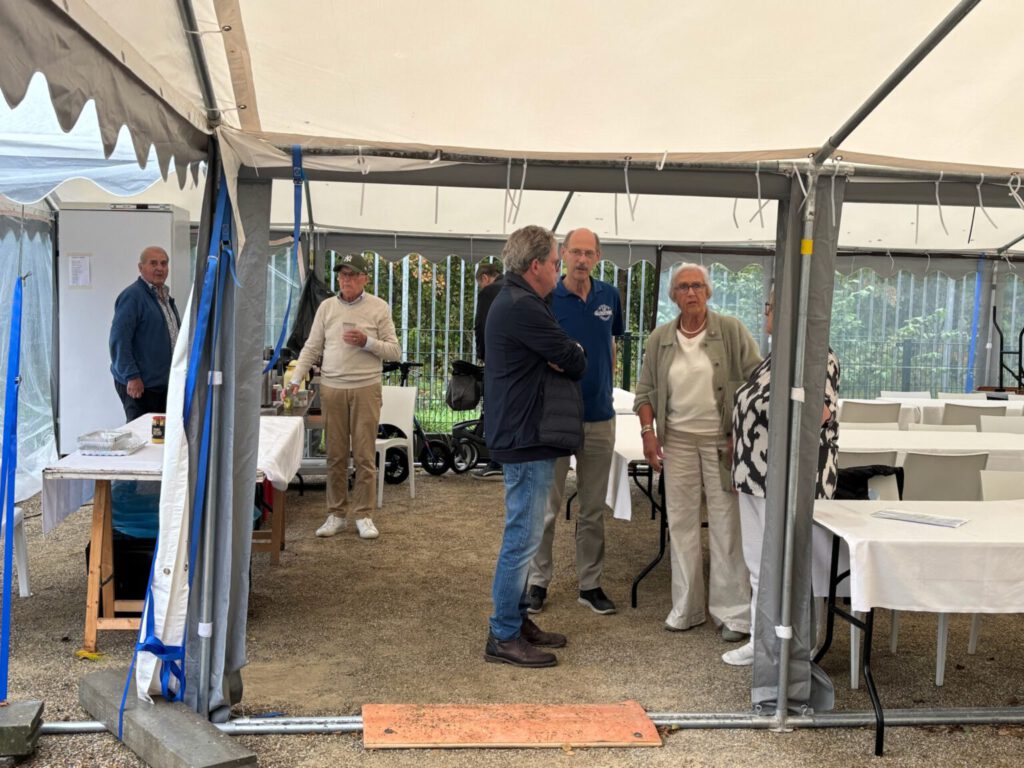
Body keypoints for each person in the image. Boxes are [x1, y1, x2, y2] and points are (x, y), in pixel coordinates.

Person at [634, 263, 761, 639]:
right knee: (681, 524)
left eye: (698, 286)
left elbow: (757, 383)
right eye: (683, 287)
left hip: (722, 443)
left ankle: (733, 614)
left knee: (726, 526)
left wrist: (740, 435)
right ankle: (686, 608)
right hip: (677, 442)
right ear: (673, 296)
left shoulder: (731, 331)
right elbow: (644, 392)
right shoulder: (660, 338)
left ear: (708, 292)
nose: (691, 292)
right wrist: (648, 434)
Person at [483, 224, 586, 668]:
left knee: (525, 534)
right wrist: (565, 354)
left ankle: (516, 619)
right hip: (526, 435)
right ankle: (504, 634)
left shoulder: (515, 299)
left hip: (524, 431)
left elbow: (563, 355)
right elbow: (574, 359)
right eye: (557, 262)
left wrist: (561, 354)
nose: (560, 269)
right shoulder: (523, 305)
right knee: (522, 538)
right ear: (536, 265)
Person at [724, 289, 840, 666]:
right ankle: (761, 642)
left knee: (792, 568)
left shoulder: (817, 357)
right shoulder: (774, 358)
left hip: (789, 482)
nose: (766, 314)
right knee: (759, 565)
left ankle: (796, 647)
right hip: (754, 478)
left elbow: (818, 415)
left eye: (771, 308)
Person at [526, 228, 623, 616]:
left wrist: (606, 386)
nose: (582, 259)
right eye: (575, 252)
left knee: (593, 508)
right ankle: (537, 582)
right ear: (563, 254)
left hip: (599, 416)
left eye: (589, 253)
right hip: (555, 416)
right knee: (546, 507)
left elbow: (611, 344)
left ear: (598, 257)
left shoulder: (609, 296)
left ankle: (590, 584)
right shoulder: (547, 297)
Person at [289, 253, 401, 540]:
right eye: (342, 274)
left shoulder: (379, 307)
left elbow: (395, 351)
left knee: (364, 455)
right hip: (332, 387)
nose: (346, 280)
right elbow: (312, 346)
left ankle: (364, 515)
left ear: (365, 278)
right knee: (335, 455)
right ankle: (336, 514)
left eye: (352, 274)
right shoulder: (326, 307)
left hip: (366, 387)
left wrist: (367, 342)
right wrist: (295, 378)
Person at [109, 246, 181, 422]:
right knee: (141, 432)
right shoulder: (133, 297)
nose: (160, 268)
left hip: (162, 385)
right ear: (141, 268)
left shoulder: (165, 297)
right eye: (153, 263)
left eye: (164, 263)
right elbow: (119, 339)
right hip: (141, 386)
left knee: (160, 433)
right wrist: (131, 376)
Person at [472, 261, 505, 480]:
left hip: (496, 361)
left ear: (484, 278)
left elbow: (481, 325)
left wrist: (482, 354)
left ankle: (496, 461)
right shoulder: (519, 287)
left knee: (494, 409)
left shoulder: (489, 292)